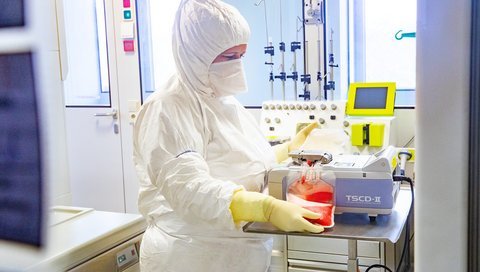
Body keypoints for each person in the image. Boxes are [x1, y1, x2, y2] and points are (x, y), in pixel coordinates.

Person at [133, 0, 324, 271]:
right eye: (229, 57)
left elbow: (241, 159)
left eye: (242, 56)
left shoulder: (222, 99)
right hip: (190, 256)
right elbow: (190, 189)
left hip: (239, 254)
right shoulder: (167, 107)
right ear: (197, 53)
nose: (237, 66)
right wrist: (267, 208)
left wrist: (289, 148)